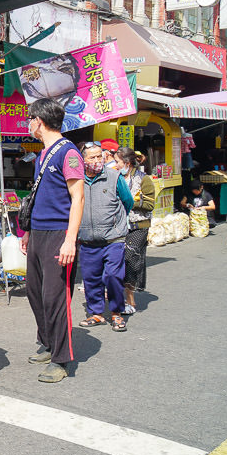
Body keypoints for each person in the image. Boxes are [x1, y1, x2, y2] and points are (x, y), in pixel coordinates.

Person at [20, 98, 84, 384]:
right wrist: (27, 232)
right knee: (35, 293)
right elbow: (38, 198)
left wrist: (70, 240)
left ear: (39, 121)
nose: (28, 124)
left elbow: (78, 198)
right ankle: (47, 343)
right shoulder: (42, 154)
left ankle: (61, 359)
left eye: (30, 119)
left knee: (55, 298)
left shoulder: (68, 152)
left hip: (59, 234)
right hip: (38, 232)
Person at [76, 142, 133, 333]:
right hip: (87, 239)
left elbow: (128, 201)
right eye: (92, 157)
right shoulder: (77, 179)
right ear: (83, 160)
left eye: (99, 156)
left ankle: (116, 312)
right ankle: (96, 313)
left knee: (113, 276)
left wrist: (118, 223)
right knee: (91, 278)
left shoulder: (114, 177)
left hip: (113, 239)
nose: (97, 160)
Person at [115, 147, 155, 315]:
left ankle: (130, 297)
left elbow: (150, 204)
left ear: (127, 163)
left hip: (138, 225)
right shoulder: (115, 177)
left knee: (131, 258)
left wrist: (129, 201)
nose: (115, 165)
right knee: (117, 259)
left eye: (117, 162)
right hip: (118, 225)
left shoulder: (143, 179)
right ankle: (118, 294)